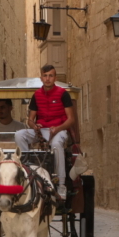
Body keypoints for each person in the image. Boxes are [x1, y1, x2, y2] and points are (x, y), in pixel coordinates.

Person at [15, 65, 75, 199]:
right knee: (19, 135)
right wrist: (35, 125)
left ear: (55, 78)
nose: (48, 79)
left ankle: (61, 184)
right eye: (45, 76)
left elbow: (71, 119)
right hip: (41, 130)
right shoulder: (36, 95)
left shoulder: (62, 93)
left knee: (56, 145)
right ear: (41, 77)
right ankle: (28, 168)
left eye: (51, 76)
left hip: (59, 129)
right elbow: (30, 120)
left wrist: (57, 128)